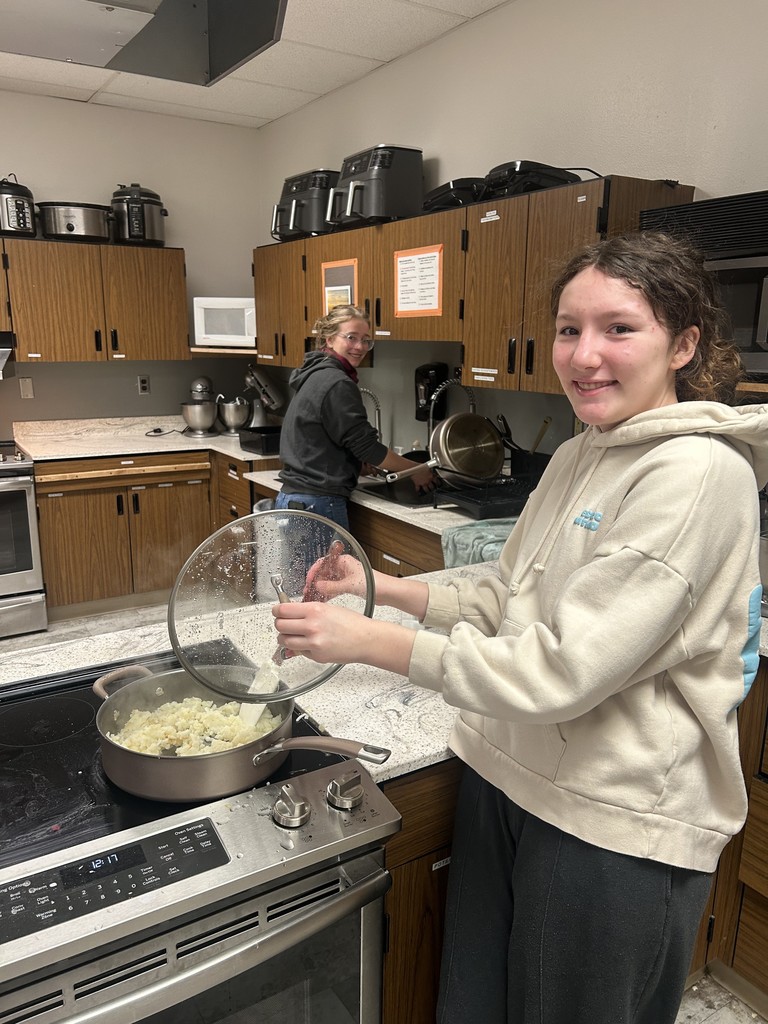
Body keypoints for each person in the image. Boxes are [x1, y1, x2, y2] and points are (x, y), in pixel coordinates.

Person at [272, 232, 768, 1024]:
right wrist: (382, 589)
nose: (584, 354)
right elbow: (510, 598)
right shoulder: (578, 454)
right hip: (509, 769)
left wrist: (372, 643)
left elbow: (561, 669)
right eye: (569, 329)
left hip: (611, 820)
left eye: (618, 328)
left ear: (683, 344)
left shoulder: (700, 475)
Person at [275, 304, 435, 532]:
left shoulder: (315, 373)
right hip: (318, 504)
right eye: (351, 337)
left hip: (295, 499)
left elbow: (319, 438)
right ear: (330, 339)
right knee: (328, 560)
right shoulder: (337, 383)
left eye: (365, 340)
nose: (360, 347)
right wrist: (415, 469)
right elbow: (368, 448)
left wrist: (351, 465)